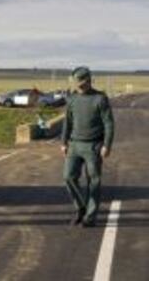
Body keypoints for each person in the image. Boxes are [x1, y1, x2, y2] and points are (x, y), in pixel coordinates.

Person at [61, 67, 115, 227]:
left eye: (79, 83)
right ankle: (81, 208)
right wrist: (63, 142)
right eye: (75, 83)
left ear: (87, 81)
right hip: (74, 145)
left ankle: (90, 217)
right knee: (68, 177)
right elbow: (67, 122)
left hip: (94, 146)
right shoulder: (72, 99)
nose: (77, 86)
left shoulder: (100, 98)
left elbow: (109, 123)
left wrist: (107, 145)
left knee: (94, 181)